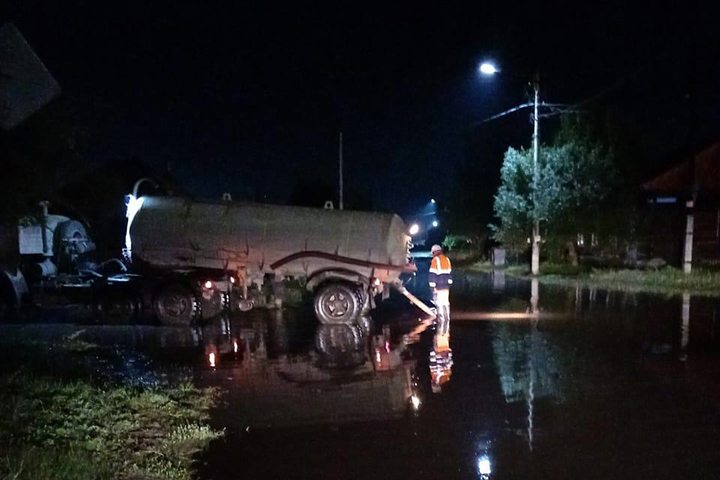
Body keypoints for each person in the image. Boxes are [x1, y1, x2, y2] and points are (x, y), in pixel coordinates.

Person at [428, 244, 452, 345]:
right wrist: (449, 285)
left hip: (438, 286)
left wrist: (433, 287)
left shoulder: (435, 260)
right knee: (446, 302)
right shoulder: (447, 259)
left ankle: (442, 321)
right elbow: (450, 274)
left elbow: (432, 275)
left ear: (434, 252)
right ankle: (447, 318)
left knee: (439, 303)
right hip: (446, 286)